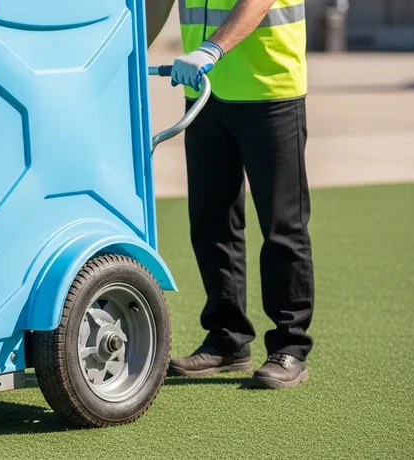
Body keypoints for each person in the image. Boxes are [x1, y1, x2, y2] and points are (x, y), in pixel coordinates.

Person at [151, 0, 315, 389]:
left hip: (269, 89)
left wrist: (211, 48)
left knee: (281, 227)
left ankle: (290, 346)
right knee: (212, 221)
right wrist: (122, 47)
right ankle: (227, 339)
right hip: (207, 92)